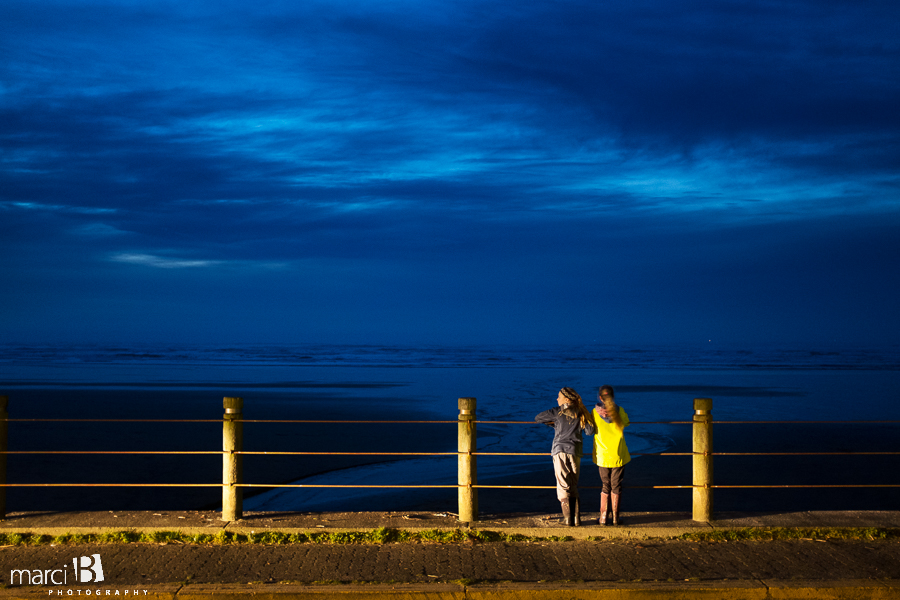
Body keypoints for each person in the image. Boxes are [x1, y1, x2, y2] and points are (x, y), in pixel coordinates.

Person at [535, 387, 595, 526]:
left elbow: (538, 418)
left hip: (560, 450)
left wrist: (555, 425)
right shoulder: (581, 412)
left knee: (563, 485)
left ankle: (568, 519)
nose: (557, 399)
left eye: (559, 396)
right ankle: (576, 518)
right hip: (575, 451)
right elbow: (590, 431)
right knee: (573, 485)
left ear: (566, 399)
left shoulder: (557, 411)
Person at [592, 385, 631, 525]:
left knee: (605, 485)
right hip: (618, 454)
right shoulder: (619, 411)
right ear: (613, 396)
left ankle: (603, 518)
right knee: (616, 485)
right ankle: (615, 518)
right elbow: (626, 422)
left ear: (599, 397)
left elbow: (590, 429)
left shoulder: (595, 412)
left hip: (602, 455)